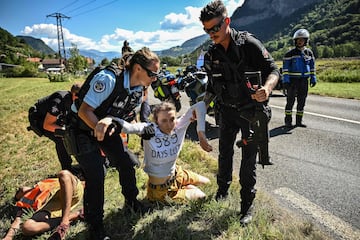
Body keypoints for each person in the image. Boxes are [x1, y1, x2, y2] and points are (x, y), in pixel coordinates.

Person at [199, 0, 280, 225]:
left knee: (248, 160)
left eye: (215, 28)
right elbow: (210, 89)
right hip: (225, 111)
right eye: (206, 30)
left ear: (227, 21)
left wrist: (267, 88)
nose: (211, 34)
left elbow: (273, 70)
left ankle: (247, 206)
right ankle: (222, 191)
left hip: (250, 113)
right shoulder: (210, 55)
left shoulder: (249, 44)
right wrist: (201, 107)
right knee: (224, 153)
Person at [71, 47, 160, 239]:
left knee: (126, 163)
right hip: (82, 128)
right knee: (96, 173)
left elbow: (127, 116)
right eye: (152, 74)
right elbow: (84, 111)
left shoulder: (138, 88)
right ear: (137, 69)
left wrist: (140, 130)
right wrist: (99, 127)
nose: (155, 78)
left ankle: (131, 202)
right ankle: (94, 226)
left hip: (106, 127)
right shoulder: (108, 79)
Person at [95, 101, 213, 203]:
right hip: (160, 189)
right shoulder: (149, 130)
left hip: (177, 174)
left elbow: (201, 105)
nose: (169, 124)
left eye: (172, 119)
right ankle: (175, 192)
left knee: (208, 183)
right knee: (202, 196)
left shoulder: (178, 125)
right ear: (156, 121)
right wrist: (110, 119)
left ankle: (184, 186)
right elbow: (128, 127)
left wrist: (201, 134)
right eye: (164, 121)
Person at [1, 170, 84, 240]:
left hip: (68, 188)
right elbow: (17, 220)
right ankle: (75, 215)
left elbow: (70, 179)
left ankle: (64, 221)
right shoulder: (24, 201)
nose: (22, 189)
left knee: (64, 174)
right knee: (27, 228)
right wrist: (8, 237)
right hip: (51, 206)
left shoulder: (43, 183)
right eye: (19, 193)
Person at [28, 84, 82, 172]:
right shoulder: (59, 100)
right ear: (74, 95)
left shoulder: (75, 101)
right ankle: (67, 169)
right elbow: (48, 125)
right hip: (40, 119)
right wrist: (66, 131)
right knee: (62, 138)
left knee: (74, 134)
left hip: (56, 118)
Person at [282, 28, 317, 128]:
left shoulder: (309, 53)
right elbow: (285, 69)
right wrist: (286, 81)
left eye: (302, 39)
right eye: (298, 40)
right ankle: (288, 121)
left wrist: (313, 77)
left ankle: (299, 121)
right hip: (292, 82)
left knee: (302, 102)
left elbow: (312, 66)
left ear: (306, 41)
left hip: (304, 81)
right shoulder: (290, 54)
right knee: (290, 102)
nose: (300, 41)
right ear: (295, 41)